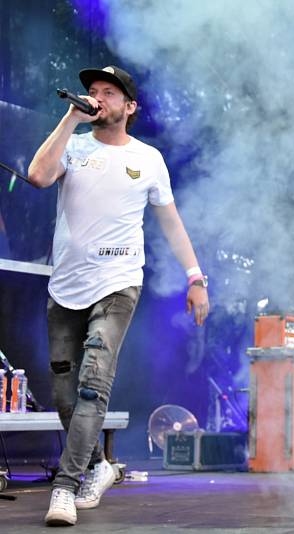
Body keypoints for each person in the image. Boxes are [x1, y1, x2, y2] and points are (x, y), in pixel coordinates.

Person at [27, 65, 209, 527]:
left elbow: (170, 221)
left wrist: (195, 277)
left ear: (130, 107)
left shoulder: (148, 159)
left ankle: (64, 489)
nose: (98, 97)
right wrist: (71, 119)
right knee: (65, 395)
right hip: (65, 286)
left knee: (93, 383)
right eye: (93, 91)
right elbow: (37, 176)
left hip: (119, 281)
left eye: (109, 93)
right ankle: (97, 467)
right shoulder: (74, 145)